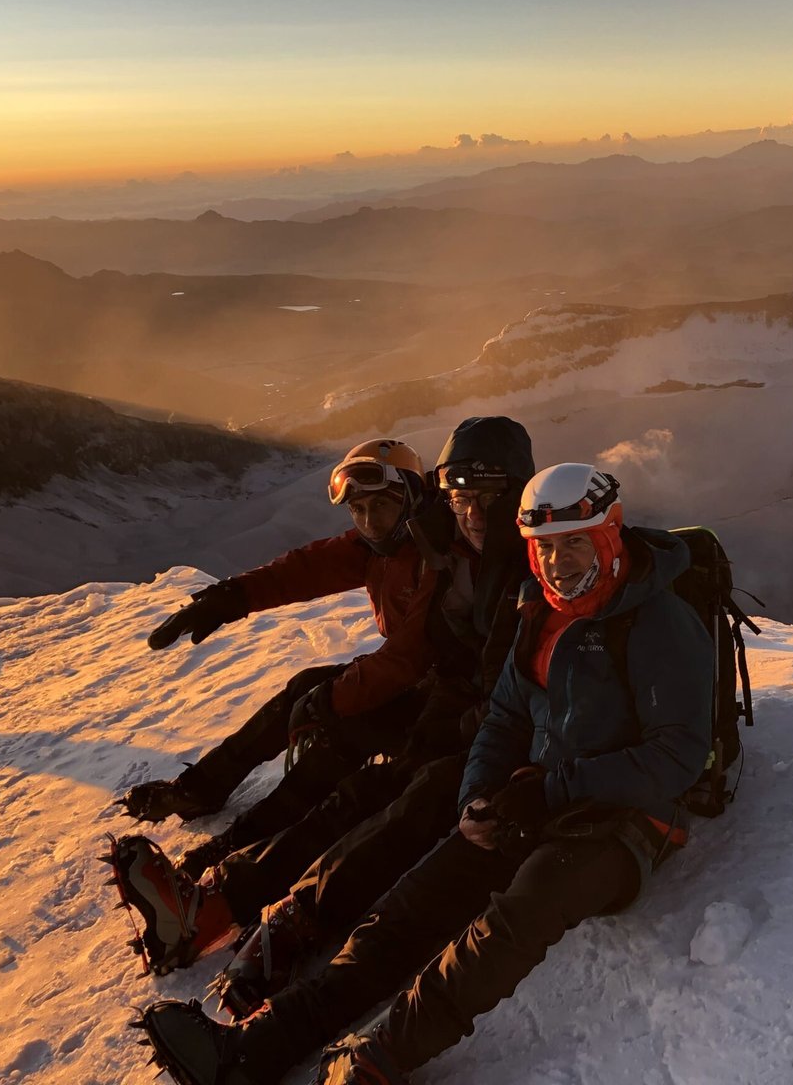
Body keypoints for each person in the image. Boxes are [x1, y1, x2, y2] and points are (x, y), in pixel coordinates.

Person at [135, 464, 715, 1085]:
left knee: (508, 925)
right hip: (537, 795)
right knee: (407, 910)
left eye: (576, 541)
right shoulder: (538, 613)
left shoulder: (658, 624)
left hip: (625, 820)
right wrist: (479, 795)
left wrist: (546, 791)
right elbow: (506, 715)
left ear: (611, 532)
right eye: (544, 547)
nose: (558, 562)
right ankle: (255, 1051)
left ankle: (377, 1061)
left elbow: (676, 757)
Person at [111, 419, 536, 990]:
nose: (366, 521)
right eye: (462, 496)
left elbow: (411, 656)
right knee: (328, 731)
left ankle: (228, 897)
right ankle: (214, 835)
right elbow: (308, 567)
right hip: (443, 696)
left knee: (365, 785)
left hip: (459, 708)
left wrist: (334, 702)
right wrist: (231, 597)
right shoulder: (428, 538)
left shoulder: (494, 554)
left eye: (489, 496)